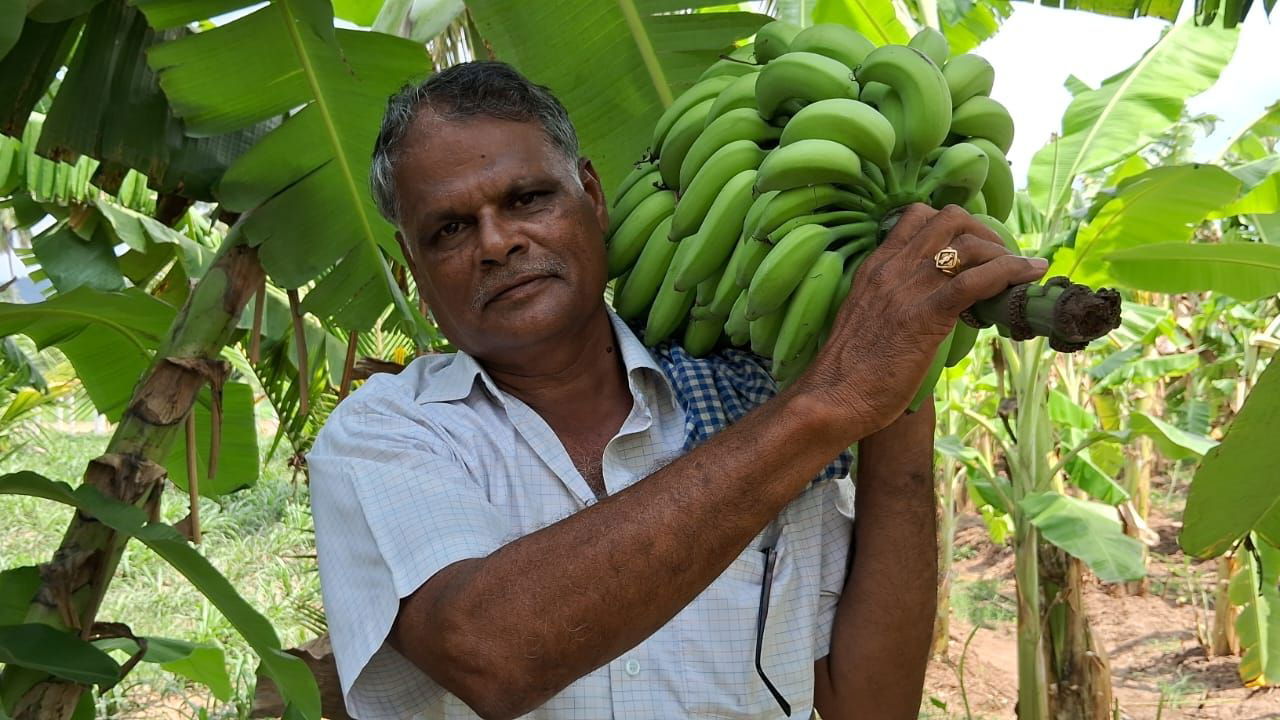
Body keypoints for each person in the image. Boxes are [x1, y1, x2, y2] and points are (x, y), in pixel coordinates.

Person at [306, 60, 1047, 720]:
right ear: (413, 264)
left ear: (590, 196)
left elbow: (869, 705)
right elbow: (492, 656)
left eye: (528, 198)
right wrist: (832, 397)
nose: (497, 242)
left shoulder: (753, 402)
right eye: (451, 230)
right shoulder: (385, 438)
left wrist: (903, 386)